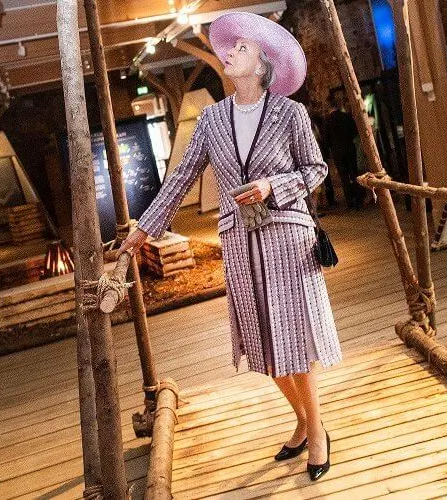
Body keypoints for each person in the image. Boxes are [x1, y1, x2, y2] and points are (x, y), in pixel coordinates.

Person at [117, 11, 341, 481]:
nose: (231, 52)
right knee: (263, 342)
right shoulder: (212, 120)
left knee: (295, 339)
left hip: (287, 237)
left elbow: (315, 170)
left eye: (242, 48)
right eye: (231, 46)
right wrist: (142, 230)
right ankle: (303, 420)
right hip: (239, 243)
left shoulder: (290, 113)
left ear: (262, 63)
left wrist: (272, 186)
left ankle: (317, 430)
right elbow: (181, 178)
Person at [324, 92, 365, 210]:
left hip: (337, 151)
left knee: (344, 177)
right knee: (354, 173)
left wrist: (329, 151)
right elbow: (355, 131)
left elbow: (326, 138)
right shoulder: (346, 117)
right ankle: (359, 199)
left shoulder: (327, 121)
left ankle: (350, 201)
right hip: (349, 147)